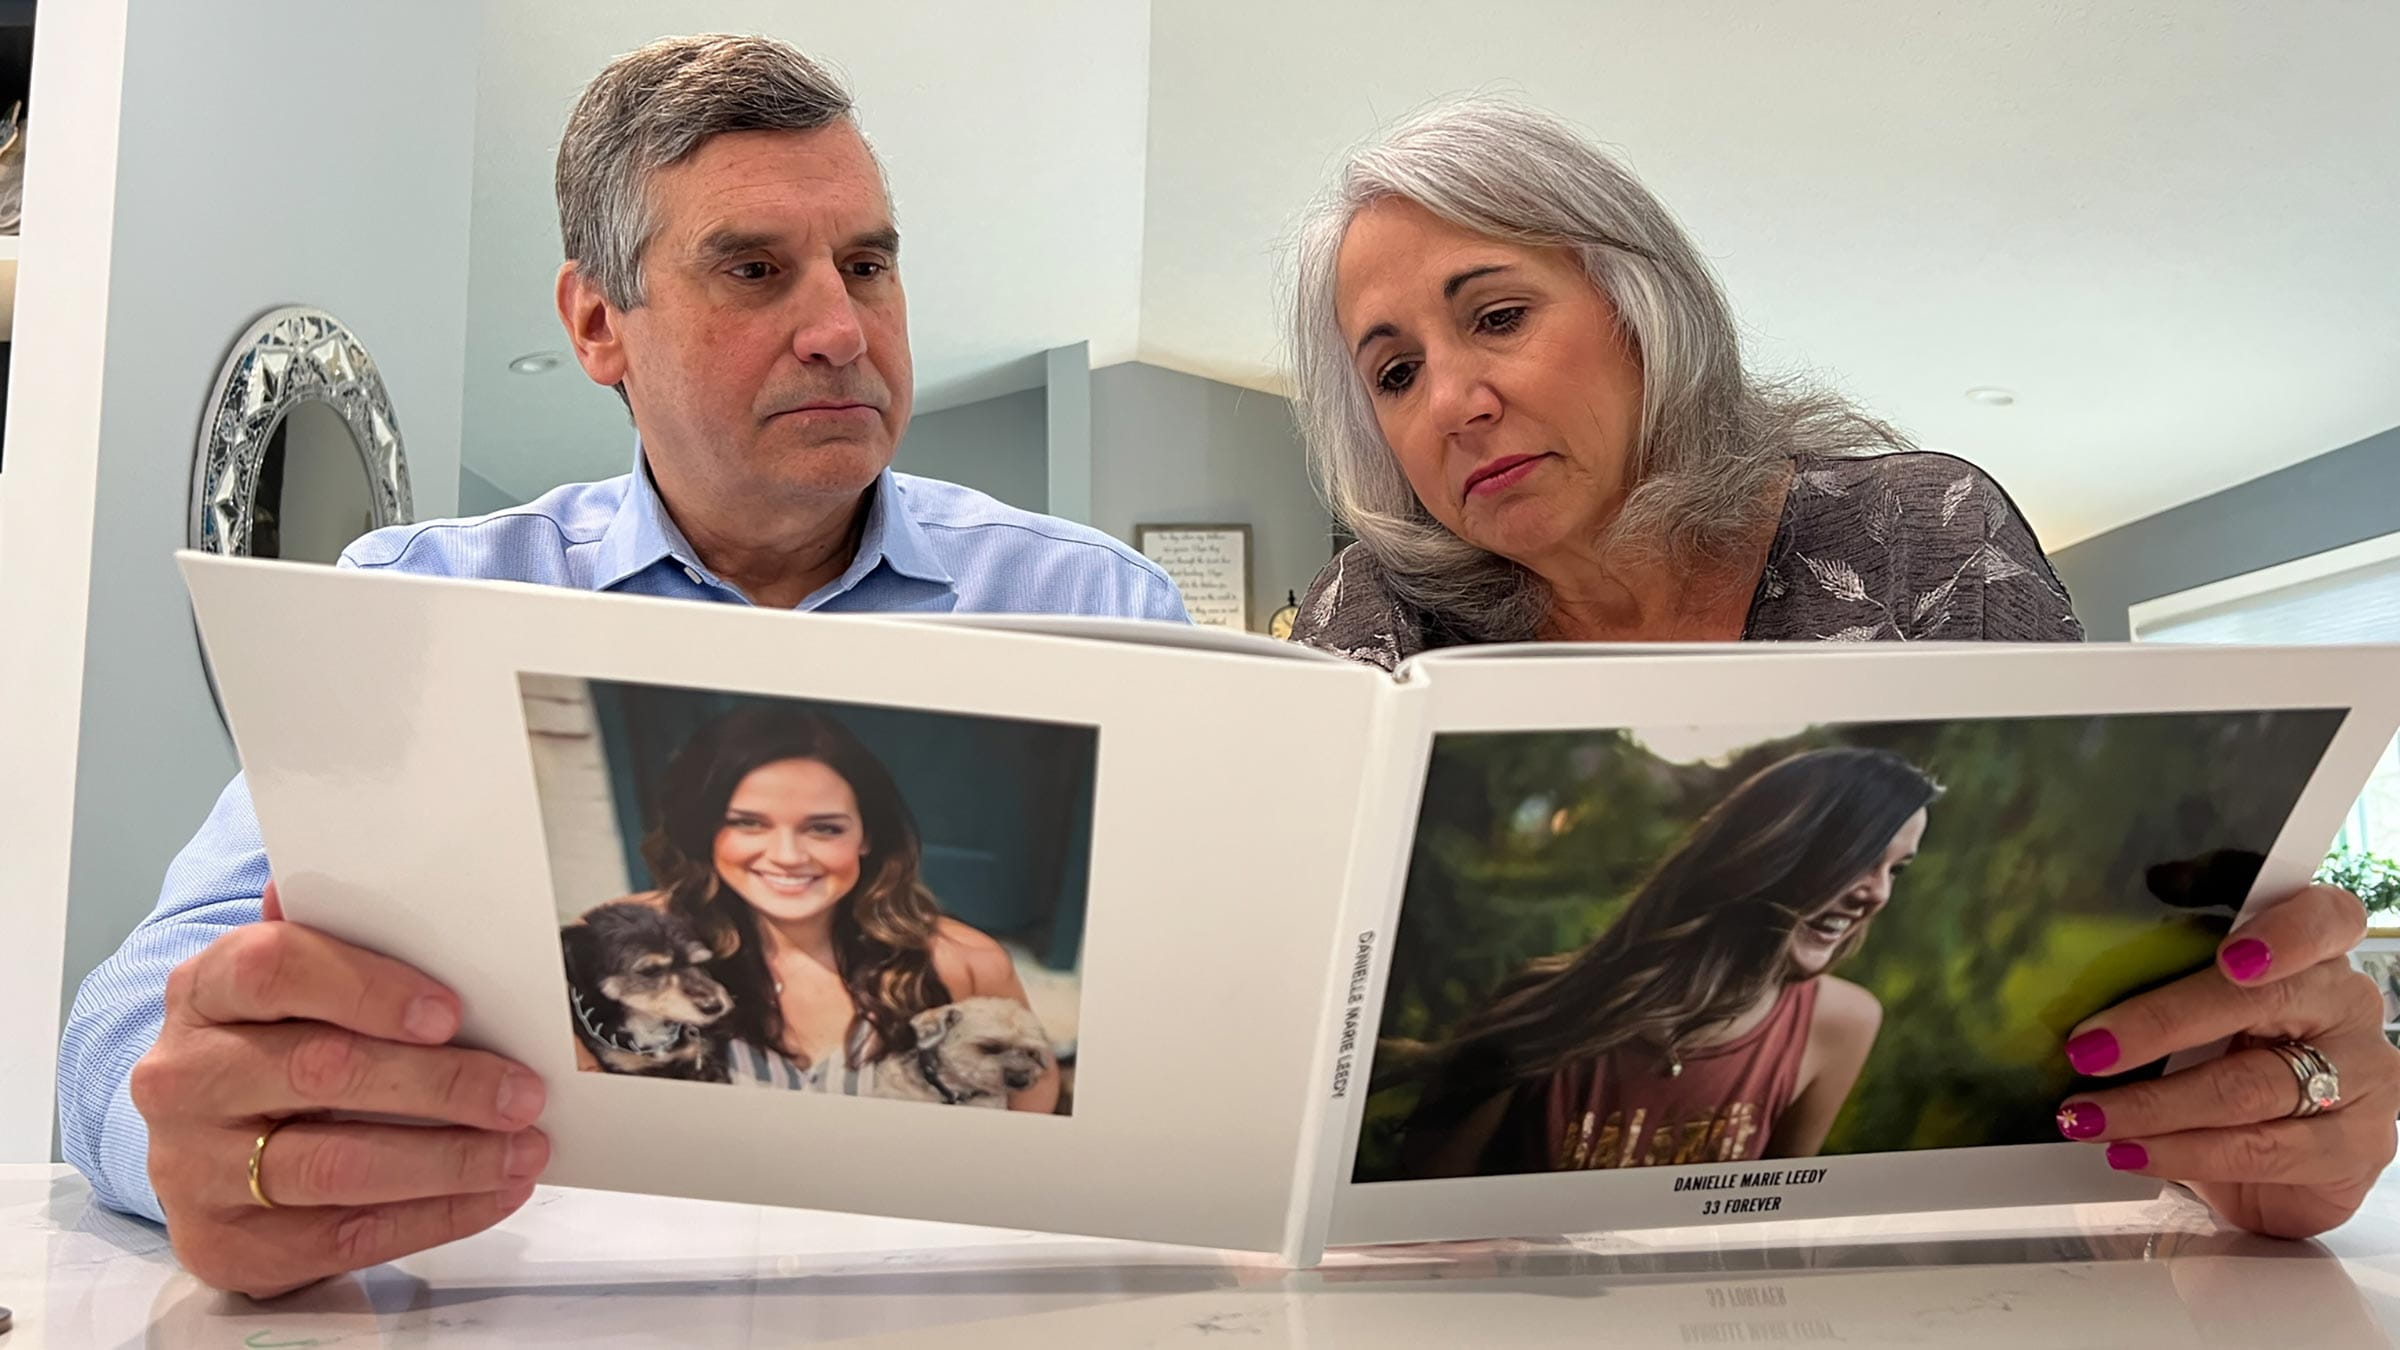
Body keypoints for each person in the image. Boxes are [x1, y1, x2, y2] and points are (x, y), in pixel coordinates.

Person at [56, 34, 1182, 1298]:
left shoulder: (1092, 603)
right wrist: (196, 1143)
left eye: (867, 265)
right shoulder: (419, 603)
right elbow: (127, 1028)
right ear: (599, 324)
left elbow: (1204, 1040)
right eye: (754, 270)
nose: (839, 328)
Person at [1283, 95, 2395, 1238]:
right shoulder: (1368, 619)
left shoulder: (1927, 542)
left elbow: (2108, 1066)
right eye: (1396, 374)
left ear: (1641, 306)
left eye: (1500, 315)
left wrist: (2240, 1129)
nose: (1456, 403)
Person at [1394, 748, 1932, 1179]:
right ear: (1772, 848)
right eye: (1861, 857)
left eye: (1896, 870)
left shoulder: (1840, 1024)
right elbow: (1418, 1236)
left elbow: (1769, 1226)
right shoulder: (1544, 1014)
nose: (1877, 893)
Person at [580, 704, 1060, 1110]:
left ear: (867, 835)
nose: (787, 856)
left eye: (824, 828)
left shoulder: (963, 963)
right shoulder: (624, 939)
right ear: (705, 831)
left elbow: (1029, 1111)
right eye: (749, 823)